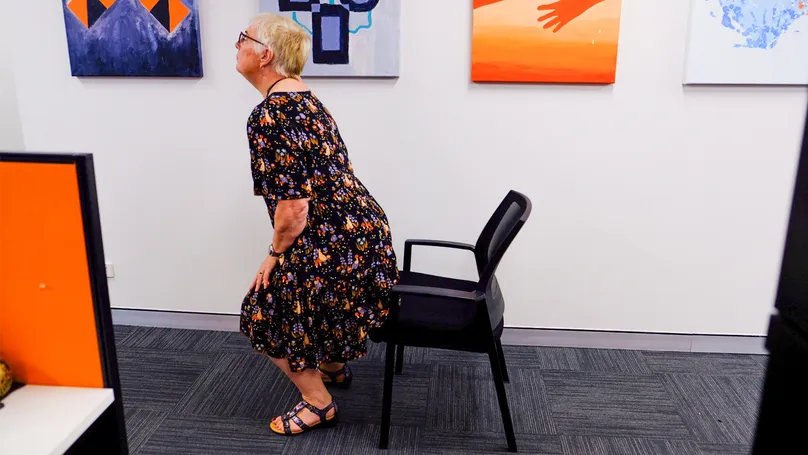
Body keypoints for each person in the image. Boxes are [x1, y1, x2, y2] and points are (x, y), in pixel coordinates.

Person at [234, 13, 399, 436]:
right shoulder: (308, 98)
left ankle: (318, 401)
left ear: (265, 54)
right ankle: (331, 365)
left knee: (262, 308)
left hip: (334, 237)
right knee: (307, 287)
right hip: (365, 229)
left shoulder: (269, 114)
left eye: (243, 39)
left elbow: (293, 207)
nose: (237, 46)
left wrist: (273, 255)